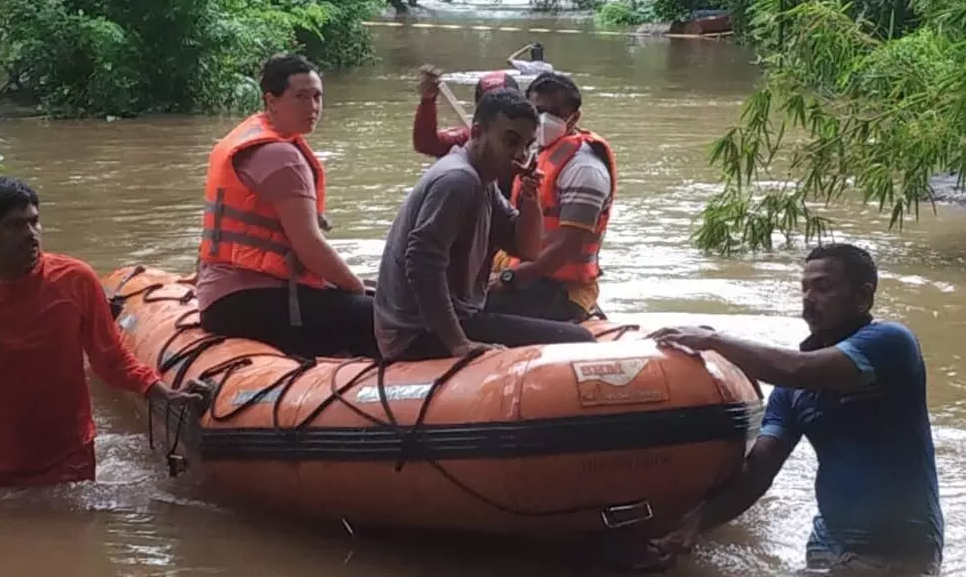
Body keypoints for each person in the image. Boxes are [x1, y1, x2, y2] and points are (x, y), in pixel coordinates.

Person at [646, 243, 944, 575]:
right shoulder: (790, 393)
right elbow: (758, 471)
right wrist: (693, 524)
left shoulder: (891, 343)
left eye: (823, 287)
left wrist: (714, 340)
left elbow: (798, 368)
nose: (809, 296)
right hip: (824, 544)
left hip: (896, 549)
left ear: (863, 297)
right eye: (804, 287)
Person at [0, 177, 204, 489]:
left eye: (34, 222)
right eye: (15, 226)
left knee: (74, 535)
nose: (31, 235)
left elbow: (110, 358)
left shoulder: (76, 280)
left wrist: (163, 393)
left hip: (70, 454)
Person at [374, 87, 597, 362]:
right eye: (510, 142)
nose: (519, 154)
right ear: (477, 134)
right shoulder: (458, 180)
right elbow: (422, 266)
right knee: (580, 341)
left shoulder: (484, 181)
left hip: (459, 315)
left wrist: (529, 195)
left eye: (527, 145)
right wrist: (459, 344)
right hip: (417, 333)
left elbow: (527, 249)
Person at [196, 53, 378, 359]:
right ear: (272, 101)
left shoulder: (250, 135)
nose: (313, 107)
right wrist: (355, 287)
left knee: (369, 297)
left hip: (222, 295)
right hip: (246, 300)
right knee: (387, 317)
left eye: (317, 96)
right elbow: (309, 246)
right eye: (301, 97)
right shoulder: (281, 157)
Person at [484, 72, 616, 323]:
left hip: (561, 289)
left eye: (554, 113)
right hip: (529, 275)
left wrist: (508, 279)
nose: (545, 120)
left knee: (468, 309)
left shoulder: (584, 169)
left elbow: (568, 248)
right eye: (538, 111)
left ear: (574, 117)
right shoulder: (535, 152)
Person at [411, 64, 520, 160]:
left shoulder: (531, 139)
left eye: (505, 105)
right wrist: (428, 101)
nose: (499, 114)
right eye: (491, 106)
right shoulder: (469, 137)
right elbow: (425, 144)